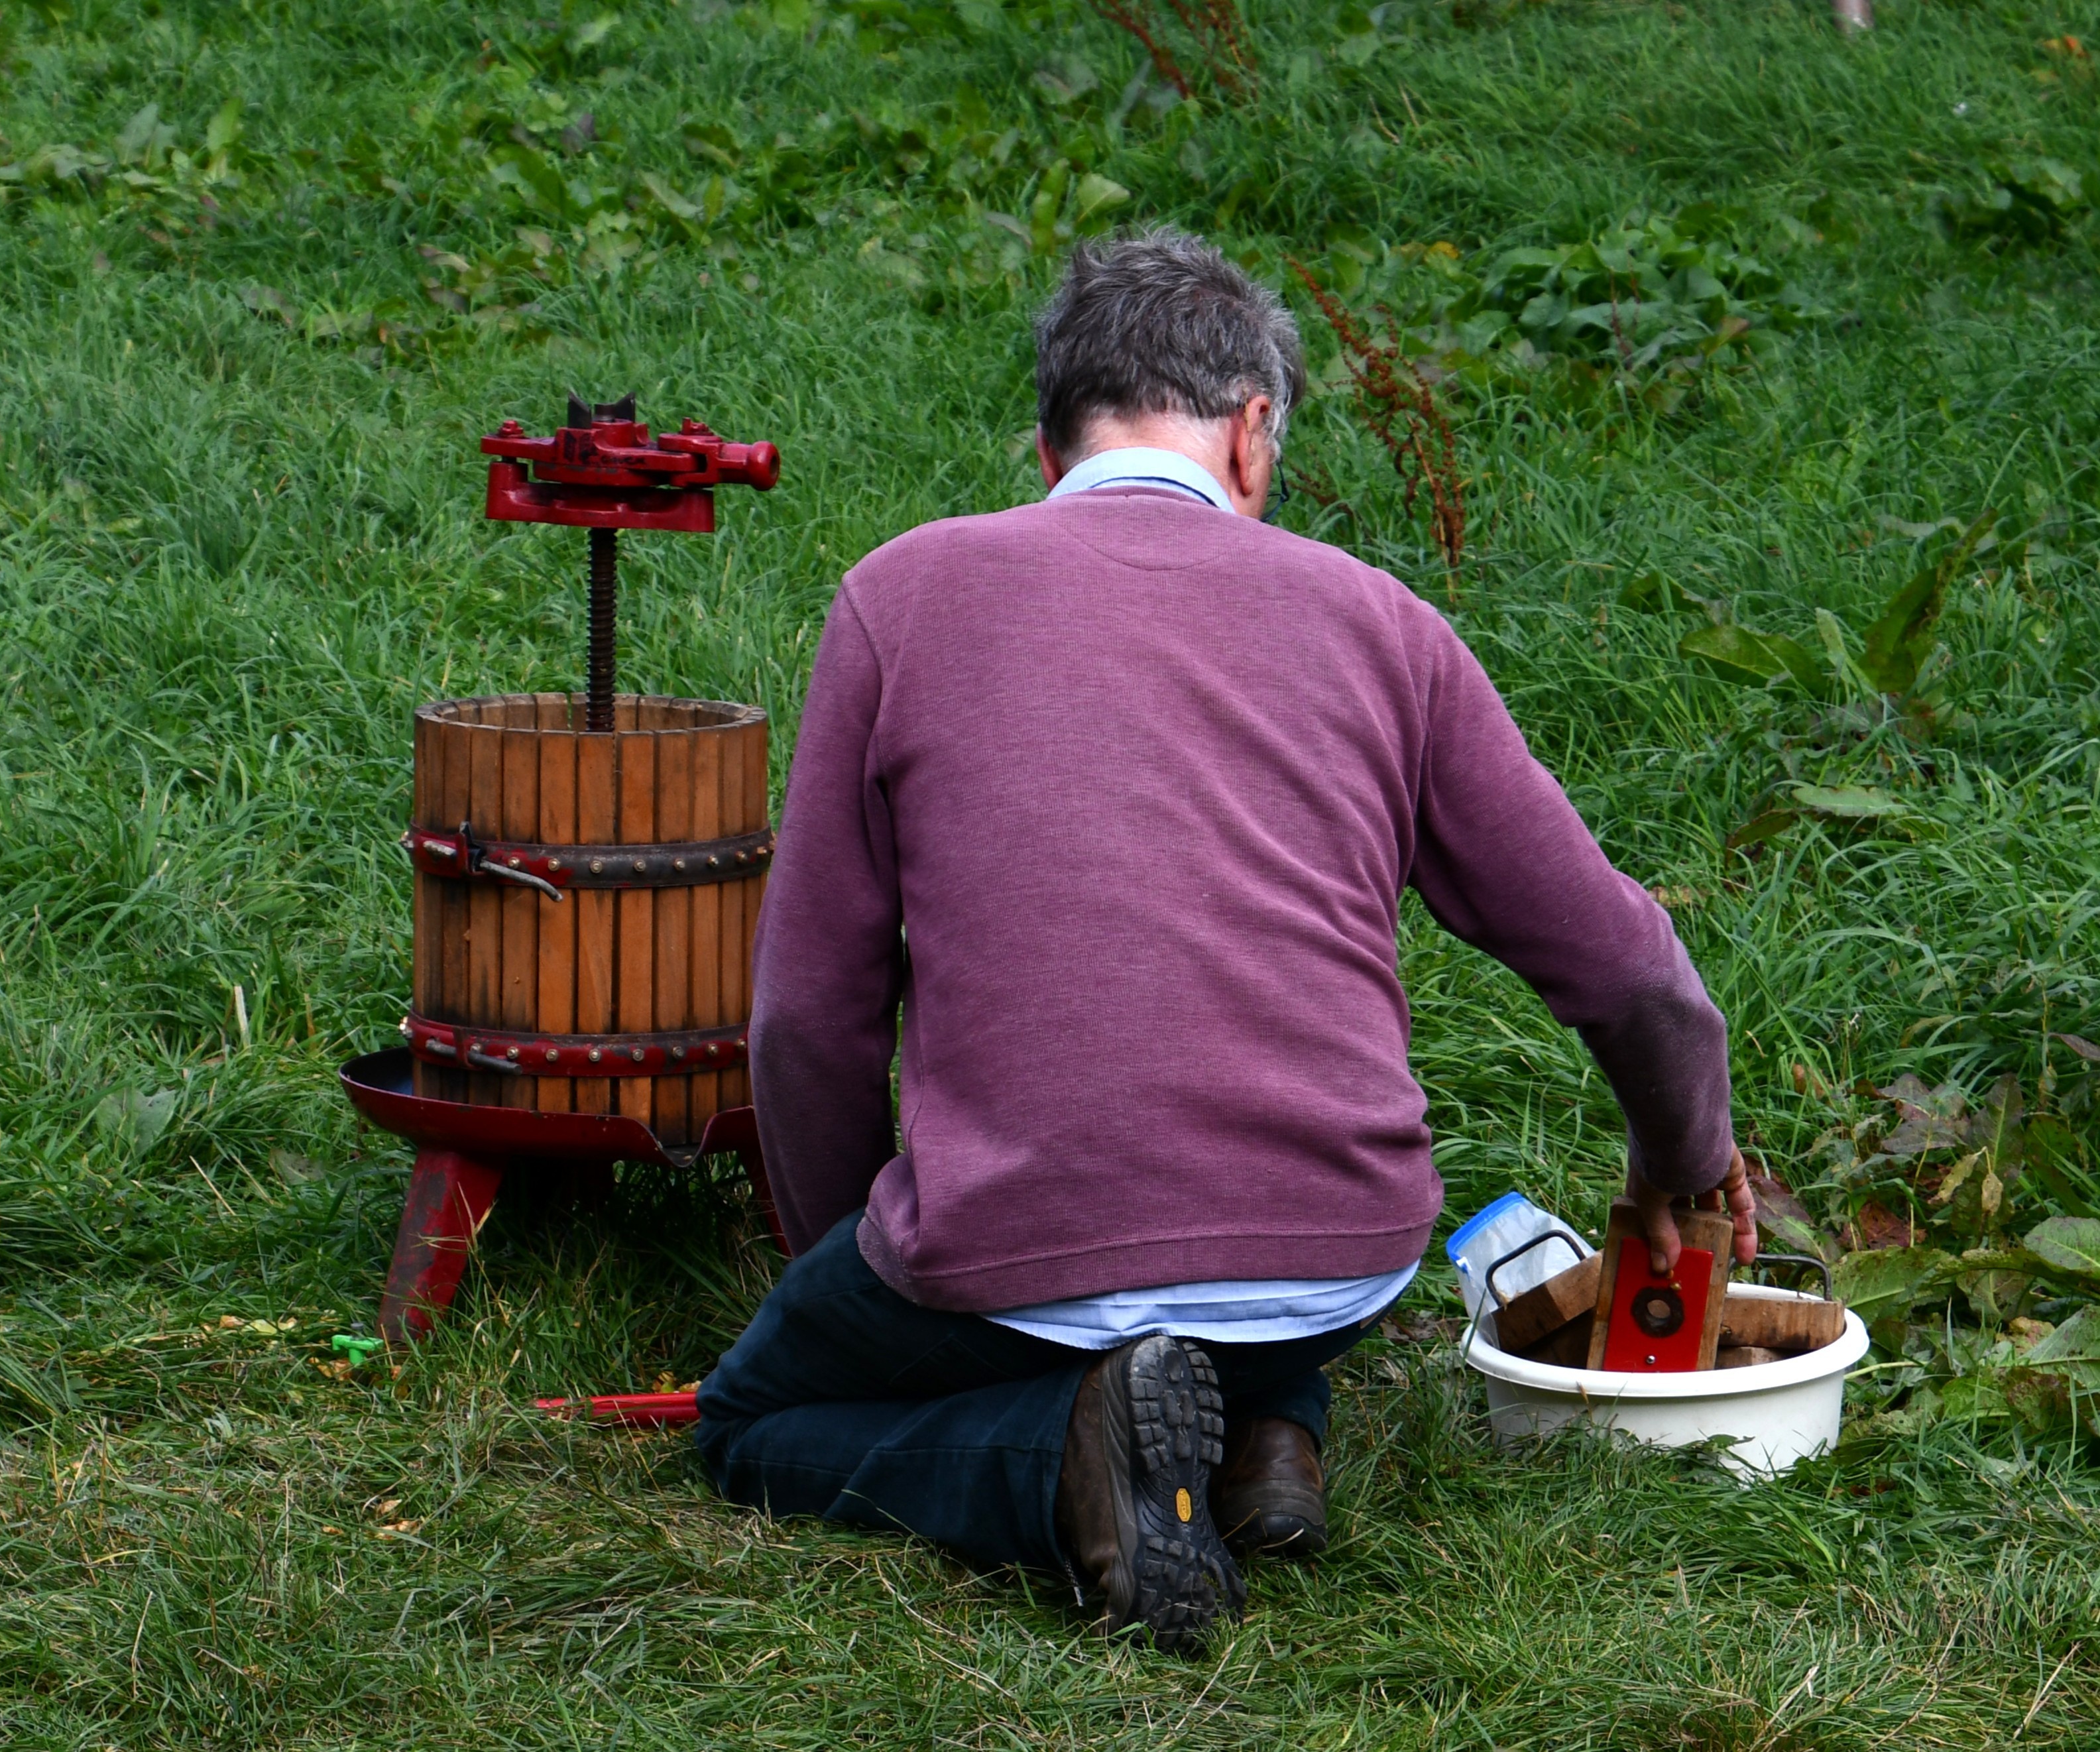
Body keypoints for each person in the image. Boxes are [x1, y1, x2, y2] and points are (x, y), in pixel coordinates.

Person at [695, 229, 1755, 1653]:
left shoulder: (902, 595)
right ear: (1254, 433)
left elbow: (807, 1013)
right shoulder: (1387, 625)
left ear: (1048, 450)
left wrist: (851, 1262)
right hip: (1335, 1259)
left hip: (1013, 1259)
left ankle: (1062, 1459)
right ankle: (1267, 1433)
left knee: (751, 1420)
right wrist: (1682, 1153)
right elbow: (1622, 960)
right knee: (1244, 1202)